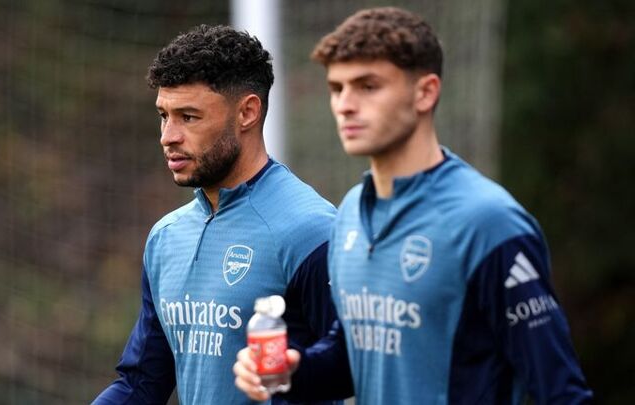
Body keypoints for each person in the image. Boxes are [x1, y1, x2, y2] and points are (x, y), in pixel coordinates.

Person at [234, 7, 593, 404]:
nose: (345, 105)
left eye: (368, 86)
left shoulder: (489, 223)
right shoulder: (351, 212)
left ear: (425, 92)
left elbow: (560, 391)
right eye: (337, 88)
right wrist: (292, 370)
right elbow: (351, 354)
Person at [93, 25, 342, 405]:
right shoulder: (166, 237)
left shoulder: (312, 231)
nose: (168, 136)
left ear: (247, 112)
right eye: (164, 115)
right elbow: (141, 384)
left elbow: (352, 368)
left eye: (189, 117)